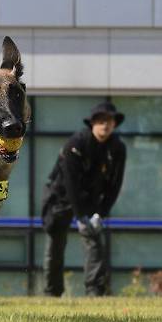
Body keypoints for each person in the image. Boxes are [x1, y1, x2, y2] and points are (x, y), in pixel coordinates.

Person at [41, 101, 126, 297]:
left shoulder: (117, 147)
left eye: (110, 121)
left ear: (114, 124)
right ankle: (52, 292)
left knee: (94, 239)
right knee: (55, 242)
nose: (105, 125)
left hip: (91, 197)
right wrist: (80, 216)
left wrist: (100, 214)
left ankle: (94, 291)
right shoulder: (76, 143)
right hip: (60, 195)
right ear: (93, 123)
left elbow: (115, 184)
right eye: (101, 121)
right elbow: (70, 182)